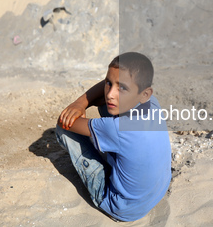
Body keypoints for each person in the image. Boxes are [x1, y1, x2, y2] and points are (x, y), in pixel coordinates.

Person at [55, 52, 171, 222]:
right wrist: (84, 103)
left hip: (121, 208)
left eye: (122, 87)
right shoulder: (152, 103)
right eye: (109, 84)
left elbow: (65, 122)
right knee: (109, 105)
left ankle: (101, 149)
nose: (110, 93)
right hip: (155, 193)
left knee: (63, 129)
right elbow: (109, 87)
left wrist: (80, 104)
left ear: (145, 93)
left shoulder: (118, 129)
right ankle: (106, 143)